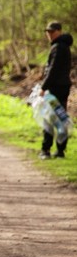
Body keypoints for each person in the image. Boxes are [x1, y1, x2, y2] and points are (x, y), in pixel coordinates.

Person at [39, 21, 73, 160]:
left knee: (49, 117)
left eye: (52, 32)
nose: (49, 34)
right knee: (60, 117)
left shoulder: (58, 47)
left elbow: (53, 70)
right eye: (48, 32)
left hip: (55, 89)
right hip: (63, 87)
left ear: (59, 31)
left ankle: (46, 150)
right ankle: (60, 150)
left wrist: (43, 87)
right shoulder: (63, 46)